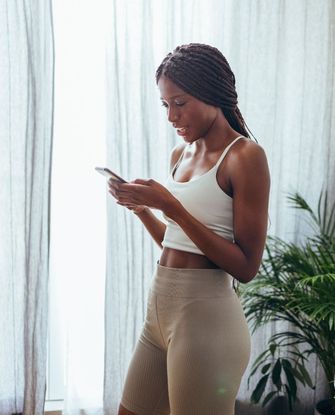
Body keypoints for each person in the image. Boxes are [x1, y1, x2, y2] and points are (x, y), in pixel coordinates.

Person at [109, 43, 270, 415]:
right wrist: (142, 210)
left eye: (179, 103)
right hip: (160, 313)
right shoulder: (180, 155)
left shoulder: (245, 157)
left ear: (211, 93)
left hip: (206, 324)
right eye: (165, 105)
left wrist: (170, 206)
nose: (171, 116)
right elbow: (177, 242)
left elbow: (246, 267)